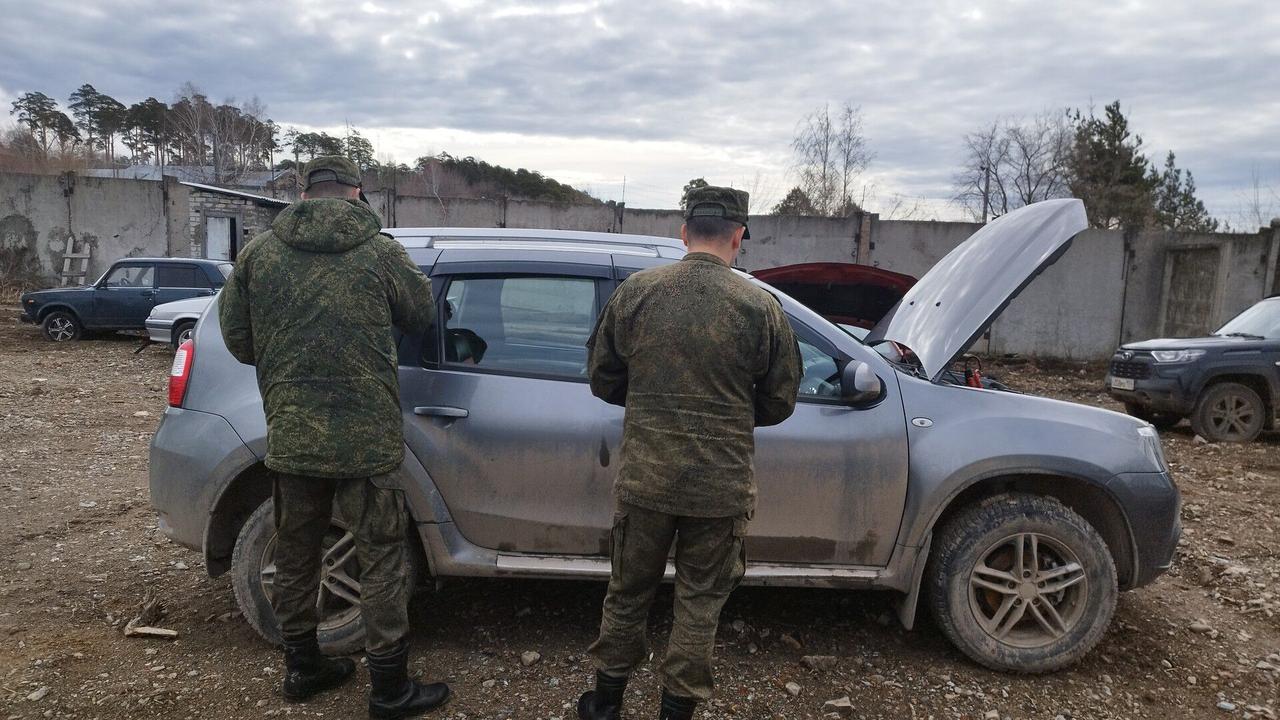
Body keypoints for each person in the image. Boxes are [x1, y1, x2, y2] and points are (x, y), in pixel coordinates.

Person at [219, 156, 450, 719]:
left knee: (297, 553)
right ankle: (389, 689)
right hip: (366, 441)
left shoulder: (259, 255)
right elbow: (420, 315)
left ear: (304, 192)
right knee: (382, 557)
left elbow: (239, 341)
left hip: (294, 435)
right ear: (356, 192)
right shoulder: (381, 252)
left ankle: (302, 668)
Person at [578, 185, 802, 720]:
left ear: (683, 233)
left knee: (628, 592)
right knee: (699, 604)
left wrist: (652, 403)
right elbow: (780, 399)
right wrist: (729, 415)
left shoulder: (637, 293)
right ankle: (676, 711)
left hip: (646, 481)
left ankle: (605, 703)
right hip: (719, 487)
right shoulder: (760, 307)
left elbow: (603, 377)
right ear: (738, 237)